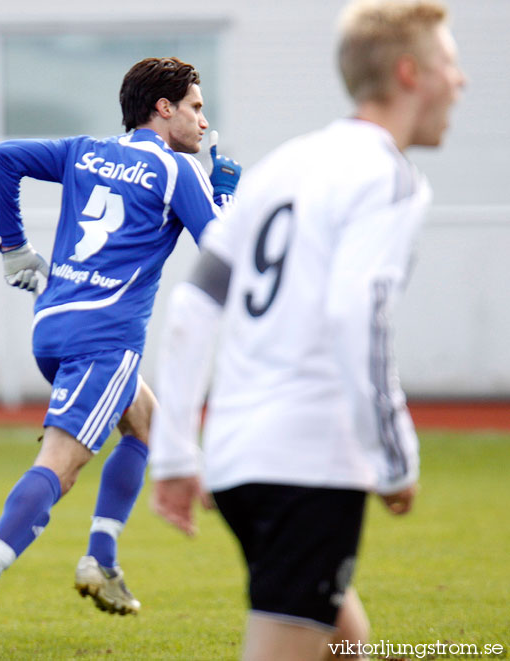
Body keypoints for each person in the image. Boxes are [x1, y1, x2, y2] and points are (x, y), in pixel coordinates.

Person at [149, 2, 465, 660]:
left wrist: (178, 452)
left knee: (346, 642)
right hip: (308, 462)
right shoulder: (388, 175)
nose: (460, 81)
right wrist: (396, 451)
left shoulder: (286, 164)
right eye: (450, 64)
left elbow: (193, 305)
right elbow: (360, 310)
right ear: (410, 74)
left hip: (237, 458)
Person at [0, 56, 241, 653]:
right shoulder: (178, 172)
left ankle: (100, 560)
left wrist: (13, 247)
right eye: (197, 108)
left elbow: (4, 158)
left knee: (145, 422)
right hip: (105, 338)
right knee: (63, 464)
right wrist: (225, 191)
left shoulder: (84, 149)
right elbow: (219, 254)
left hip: (52, 321)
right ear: (164, 108)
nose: (203, 122)